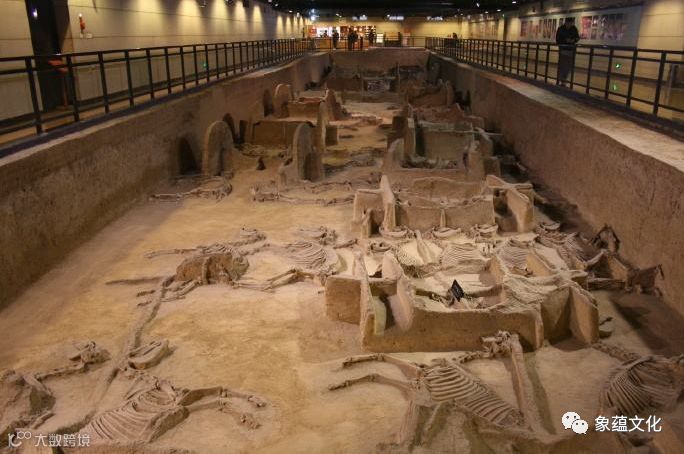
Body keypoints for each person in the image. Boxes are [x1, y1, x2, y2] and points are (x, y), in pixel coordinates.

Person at [555, 17, 580, 87]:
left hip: (571, 50)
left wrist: (574, 40)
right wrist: (566, 41)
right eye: (569, 23)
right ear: (566, 22)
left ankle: (564, 80)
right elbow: (557, 40)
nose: (570, 24)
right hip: (563, 50)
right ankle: (562, 80)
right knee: (563, 65)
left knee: (568, 66)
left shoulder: (574, 29)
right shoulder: (561, 29)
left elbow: (577, 37)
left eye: (571, 23)